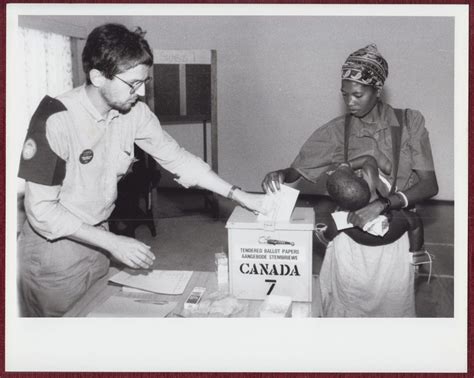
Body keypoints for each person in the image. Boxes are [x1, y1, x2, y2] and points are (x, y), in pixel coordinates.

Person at [17, 23, 266, 317]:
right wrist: (112, 242)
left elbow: (177, 158)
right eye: (134, 83)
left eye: (144, 81)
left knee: (98, 321)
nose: (142, 91)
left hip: (98, 237)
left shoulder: (133, 110)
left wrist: (238, 195)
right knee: (62, 339)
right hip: (53, 250)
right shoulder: (54, 119)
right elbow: (42, 211)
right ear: (97, 76)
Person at [261, 44, 438, 317]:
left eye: (358, 94)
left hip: (395, 241)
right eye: (345, 95)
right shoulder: (336, 131)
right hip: (350, 243)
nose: (350, 102)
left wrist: (382, 204)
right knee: (345, 313)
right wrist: (281, 174)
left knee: (392, 319)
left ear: (377, 90)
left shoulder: (409, 123)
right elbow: (298, 170)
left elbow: (429, 185)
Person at [325, 155, 424, 252]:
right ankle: (416, 253)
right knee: (414, 220)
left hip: (360, 236)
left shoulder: (343, 203)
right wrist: (346, 165)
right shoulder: (372, 182)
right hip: (391, 232)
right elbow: (369, 159)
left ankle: (325, 238)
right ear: (359, 175)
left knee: (335, 223)